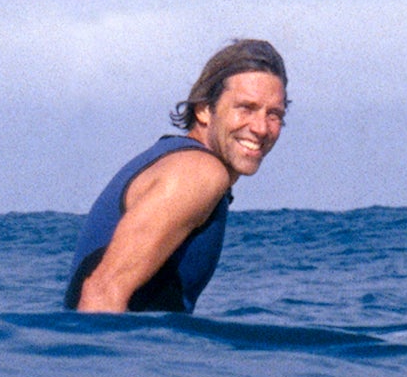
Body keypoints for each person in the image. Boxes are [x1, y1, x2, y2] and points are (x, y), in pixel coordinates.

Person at [65, 39, 287, 313]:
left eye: (274, 114)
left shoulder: (176, 159)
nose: (261, 128)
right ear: (204, 110)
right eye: (246, 108)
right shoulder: (198, 173)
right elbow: (101, 293)